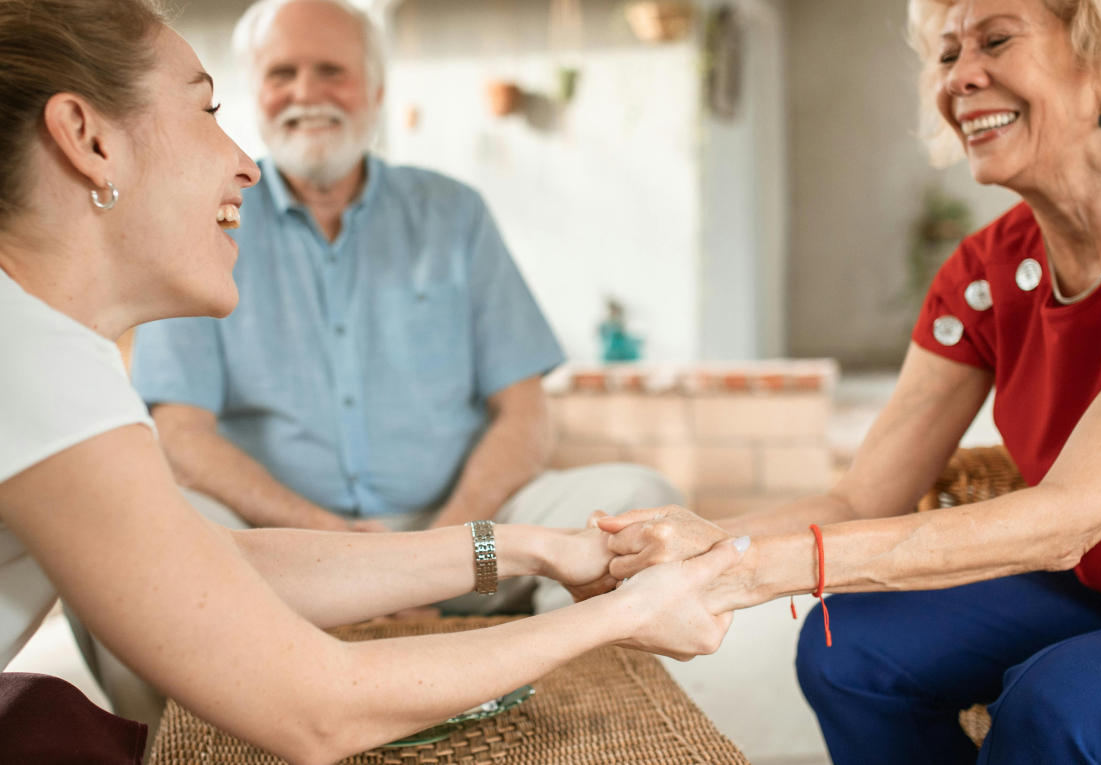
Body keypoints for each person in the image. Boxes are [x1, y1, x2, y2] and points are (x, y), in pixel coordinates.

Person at [0, 1, 746, 763]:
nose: (245, 164)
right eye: (206, 107)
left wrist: (534, 547)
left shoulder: (36, 340)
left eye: (330, 70)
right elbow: (320, 708)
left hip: (426, 516)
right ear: (88, 140)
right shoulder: (38, 361)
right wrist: (622, 614)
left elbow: (214, 563)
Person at [593, 0, 1101, 762]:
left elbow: (1071, 515)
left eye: (996, 40)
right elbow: (857, 498)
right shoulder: (984, 271)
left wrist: (751, 571)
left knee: (1063, 704)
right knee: (851, 652)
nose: (961, 76)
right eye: (946, 54)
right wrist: (684, 543)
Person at [129, 0, 682, 597]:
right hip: (289, 552)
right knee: (134, 533)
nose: (305, 93)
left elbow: (525, 412)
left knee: (639, 503)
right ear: (255, 93)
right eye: (281, 74)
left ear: (376, 90)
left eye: (331, 71)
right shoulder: (205, 225)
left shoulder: (455, 214)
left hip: (477, 548)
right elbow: (182, 436)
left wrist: (440, 550)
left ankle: (563, 685)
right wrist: (330, 538)